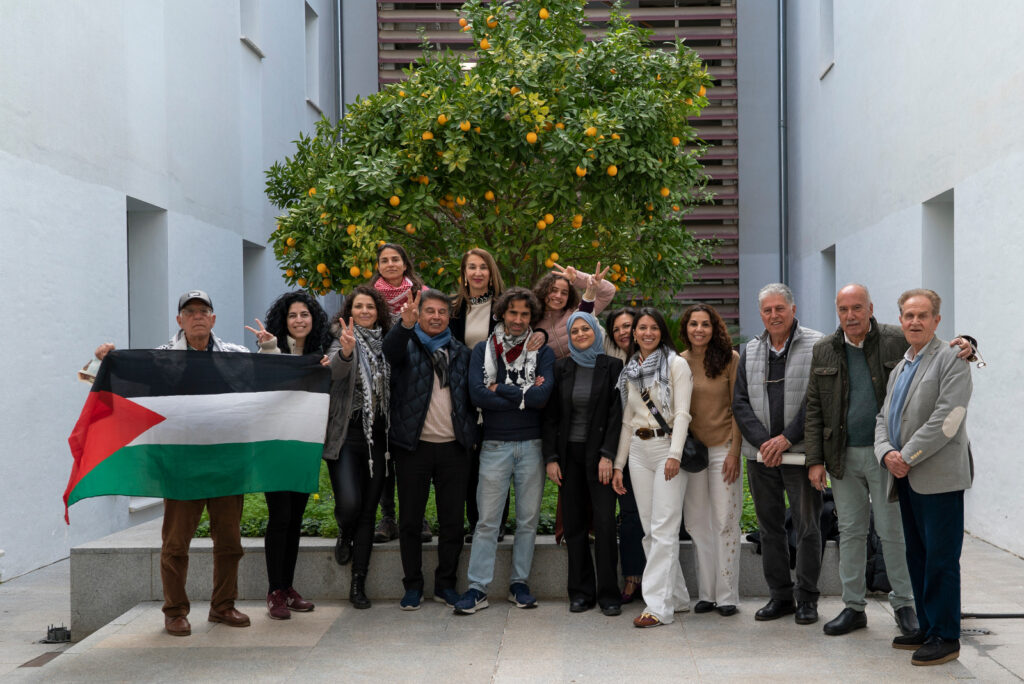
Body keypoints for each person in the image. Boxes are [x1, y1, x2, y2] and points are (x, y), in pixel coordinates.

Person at [93, 290, 252, 637]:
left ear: (213, 319)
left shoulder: (236, 356)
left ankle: (223, 606)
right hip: (180, 464)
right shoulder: (159, 359)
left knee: (230, 543)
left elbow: (271, 380)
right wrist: (106, 362)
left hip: (225, 461)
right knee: (176, 544)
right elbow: (120, 384)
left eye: (203, 311)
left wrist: (273, 352)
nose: (197, 316)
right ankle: (175, 611)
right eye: (189, 311)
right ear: (179, 320)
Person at [875, 289, 973, 666]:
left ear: (937, 320)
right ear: (900, 321)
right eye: (908, 315)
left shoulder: (952, 359)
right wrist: (887, 454)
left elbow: (948, 419)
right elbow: (884, 418)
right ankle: (927, 624)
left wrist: (907, 456)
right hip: (904, 476)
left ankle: (946, 635)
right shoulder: (901, 366)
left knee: (941, 559)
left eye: (922, 315)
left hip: (938, 477)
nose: (914, 321)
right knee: (917, 554)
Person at [454, 287, 556, 615]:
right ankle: (477, 588)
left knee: (527, 520)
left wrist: (502, 388)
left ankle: (519, 584)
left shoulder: (544, 352)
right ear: (502, 313)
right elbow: (477, 395)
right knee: (487, 521)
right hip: (494, 445)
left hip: (532, 445)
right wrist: (524, 393)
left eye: (525, 314)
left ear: (532, 318)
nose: (518, 319)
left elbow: (542, 401)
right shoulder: (483, 349)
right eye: (513, 313)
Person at [732, 283, 824, 625]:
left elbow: (818, 400)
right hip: (762, 458)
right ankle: (780, 597)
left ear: (793, 310)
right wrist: (763, 442)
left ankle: (808, 598)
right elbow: (739, 402)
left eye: (779, 309)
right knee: (769, 528)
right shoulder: (750, 350)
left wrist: (785, 438)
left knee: (808, 527)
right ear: (761, 314)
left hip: (800, 454)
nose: (774, 315)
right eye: (767, 310)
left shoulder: (818, 345)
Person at [382, 290, 480, 610]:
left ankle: (445, 585)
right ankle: (412, 586)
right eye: (430, 311)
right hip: (413, 448)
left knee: (452, 522)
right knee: (410, 521)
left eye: (442, 312)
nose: (436, 316)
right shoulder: (406, 346)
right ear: (419, 314)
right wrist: (403, 326)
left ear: (449, 317)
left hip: (454, 449)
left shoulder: (462, 353)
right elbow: (389, 352)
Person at [245, 291, 331, 619]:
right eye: (293, 315)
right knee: (279, 516)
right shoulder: (271, 350)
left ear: (313, 320)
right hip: (274, 446)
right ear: (285, 321)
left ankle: (289, 588)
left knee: (294, 519)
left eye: (304, 315)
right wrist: (269, 347)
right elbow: (267, 378)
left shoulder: (320, 355)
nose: (299, 320)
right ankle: (274, 592)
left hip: (303, 445)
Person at [450, 248, 541, 543]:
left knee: (496, 459)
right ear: (464, 274)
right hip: (464, 391)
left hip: (500, 394)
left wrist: (545, 336)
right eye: (471, 267)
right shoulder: (454, 309)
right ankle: (476, 522)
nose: (477, 272)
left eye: (483, 267)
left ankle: (497, 523)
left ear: (491, 274)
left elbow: (526, 332)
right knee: (470, 461)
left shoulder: (503, 308)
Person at [611, 307, 694, 628]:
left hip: (667, 450)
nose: (647, 333)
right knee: (650, 529)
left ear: (662, 331)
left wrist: (675, 455)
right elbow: (627, 421)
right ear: (634, 334)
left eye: (653, 328)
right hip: (638, 452)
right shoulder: (630, 370)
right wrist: (619, 465)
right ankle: (679, 597)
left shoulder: (677, 364)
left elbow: (684, 414)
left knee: (663, 529)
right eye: (641, 328)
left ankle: (657, 607)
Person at [543, 311, 624, 616]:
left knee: (604, 525)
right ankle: (579, 592)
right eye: (573, 331)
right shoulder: (561, 367)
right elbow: (550, 418)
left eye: (584, 329)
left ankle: (608, 594)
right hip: (568, 458)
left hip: (600, 456)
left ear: (595, 332)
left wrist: (608, 454)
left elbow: (618, 415)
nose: (579, 335)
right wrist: (551, 458)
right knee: (574, 525)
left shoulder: (613, 367)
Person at [323, 285, 392, 609]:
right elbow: (334, 373)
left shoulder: (385, 345)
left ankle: (358, 582)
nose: (365, 311)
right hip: (347, 436)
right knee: (350, 505)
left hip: (378, 438)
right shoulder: (341, 338)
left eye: (370, 307)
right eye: (359, 306)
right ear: (350, 312)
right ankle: (343, 530)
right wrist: (347, 352)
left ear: (378, 312)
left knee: (368, 512)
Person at [680, 304, 743, 617]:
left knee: (725, 521)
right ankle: (706, 593)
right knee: (696, 522)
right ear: (686, 328)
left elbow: (739, 408)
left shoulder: (730, 359)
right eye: (694, 324)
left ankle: (727, 594)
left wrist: (734, 452)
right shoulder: (678, 362)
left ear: (713, 327)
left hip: (723, 449)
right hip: (692, 453)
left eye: (705, 324)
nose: (699, 329)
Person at [370, 242, 429, 544]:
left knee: (412, 451)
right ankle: (388, 518)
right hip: (379, 383)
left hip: (413, 381)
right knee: (385, 452)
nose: (390, 264)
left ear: (405, 264)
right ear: (377, 266)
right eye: (384, 260)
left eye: (396, 259)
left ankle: (417, 517)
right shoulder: (370, 298)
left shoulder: (422, 294)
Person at [602, 307, 645, 604]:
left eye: (628, 326)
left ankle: (657, 580)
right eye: (616, 329)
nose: (623, 332)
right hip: (623, 449)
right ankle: (632, 577)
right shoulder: (612, 363)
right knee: (629, 515)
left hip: (656, 448)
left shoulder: (664, 360)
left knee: (655, 517)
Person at [533, 262, 616, 359]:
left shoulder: (580, 311)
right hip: (559, 372)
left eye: (564, 293)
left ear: (569, 296)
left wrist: (576, 278)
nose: (558, 296)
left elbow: (609, 291)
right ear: (543, 291)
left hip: (589, 366)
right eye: (553, 290)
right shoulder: (533, 318)